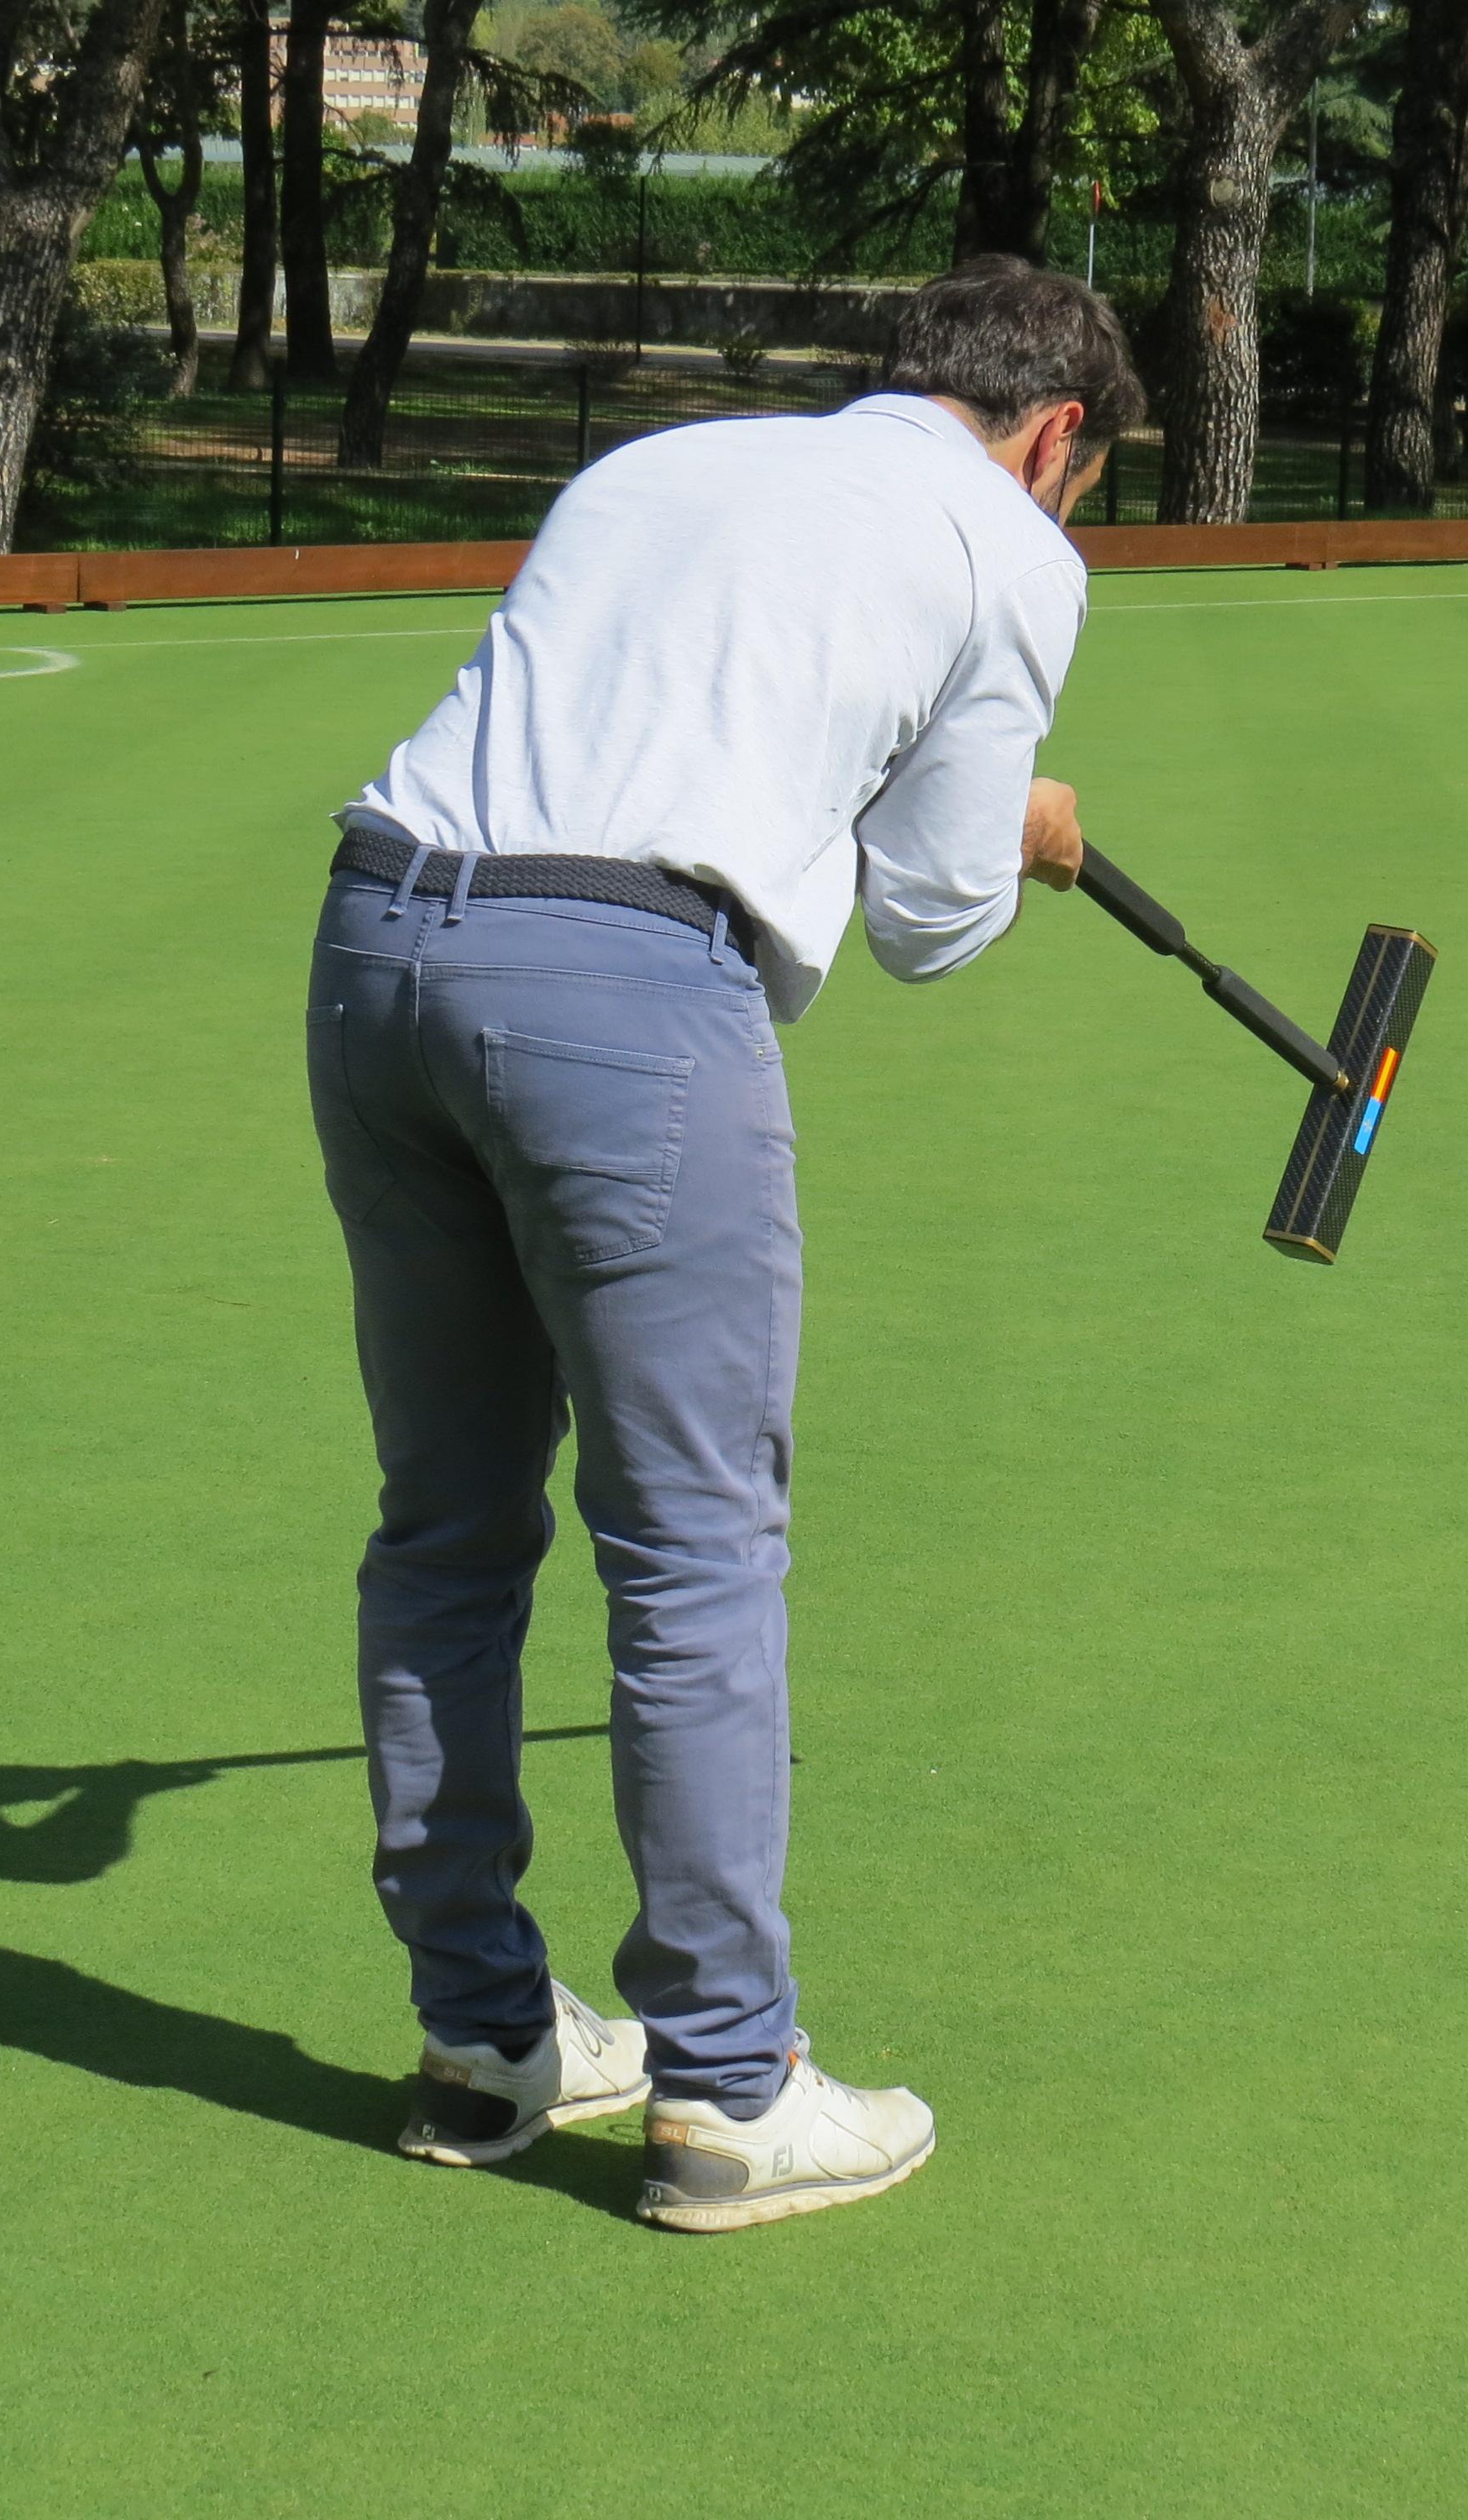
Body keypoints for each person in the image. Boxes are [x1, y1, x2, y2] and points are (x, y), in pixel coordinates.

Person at [304, 255, 1142, 2233]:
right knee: (690, 1544)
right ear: (1052, 438)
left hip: (375, 945)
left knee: (445, 1528)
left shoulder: (663, 460)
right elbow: (931, 918)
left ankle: (485, 2041)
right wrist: (1010, 829)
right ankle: (727, 2086)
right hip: (619, 994)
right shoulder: (1015, 551)